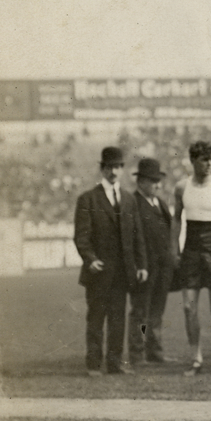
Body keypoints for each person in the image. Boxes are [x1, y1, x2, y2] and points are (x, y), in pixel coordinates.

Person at [74, 146, 147, 376]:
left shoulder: (128, 199)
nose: (113, 171)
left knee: (118, 320)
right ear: (102, 169)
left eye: (117, 167)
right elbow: (81, 236)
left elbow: (138, 236)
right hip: (99, 271)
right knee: (96, 318)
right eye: (109, 167)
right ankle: (94, 364)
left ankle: (115, 363)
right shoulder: (88, 199)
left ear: (122, 170)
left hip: (122, 272)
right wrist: (90, 259)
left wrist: (142, 264)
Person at [172, 141, 211, 376]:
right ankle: (195, 357)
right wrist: (174, 250)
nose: (209, 164)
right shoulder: (181, 188)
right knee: (189, 306)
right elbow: (177, 220)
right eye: (203, 160)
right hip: (191, 249)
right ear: (193, 161)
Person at [128, 158, 173, 365]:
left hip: (162, 268)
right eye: (153, 181)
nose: (158, 185)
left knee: (156, 312)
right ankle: (137, 353)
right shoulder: (133, 204)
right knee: (141, 313)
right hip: (145, 268)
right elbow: (132, 240)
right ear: (141, 182)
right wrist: (140, 265)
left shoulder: (160, 203)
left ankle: (154, 351)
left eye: (158, 181)